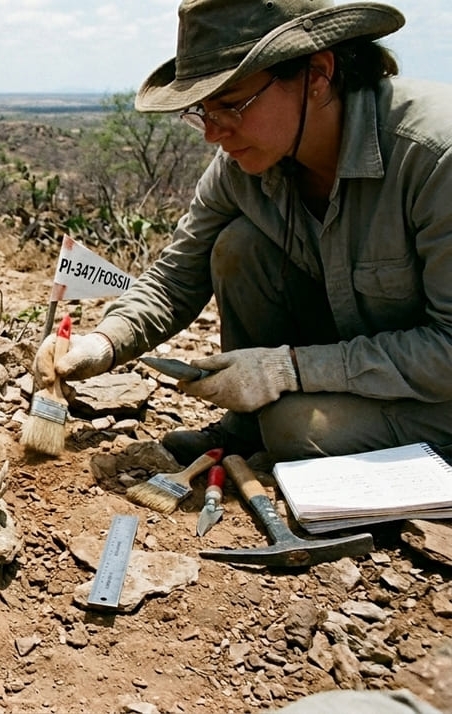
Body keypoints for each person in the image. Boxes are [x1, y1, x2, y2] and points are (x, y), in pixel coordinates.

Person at [40, 0, 452, 464]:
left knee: (294, 430)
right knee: (239, 247)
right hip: (361, 367)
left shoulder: (436, 156)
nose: (213, 134)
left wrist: (288, 371)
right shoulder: (243, 166)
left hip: (441, 393)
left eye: (232, 105)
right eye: (203, 111)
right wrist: (104, 343)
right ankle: (246, 432)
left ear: (317, 74)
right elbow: (177, 276)